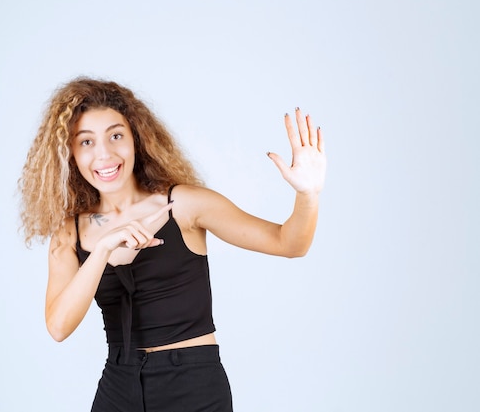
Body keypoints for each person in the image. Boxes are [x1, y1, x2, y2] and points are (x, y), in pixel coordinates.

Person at [19, 77, 326, 411]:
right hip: (118, 386)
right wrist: (103, 249)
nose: (104, 154)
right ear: (70, 153)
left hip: (193, 385)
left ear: (135, 139)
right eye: (86, 142)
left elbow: (289, 243)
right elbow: (59, 327)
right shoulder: (69, 233)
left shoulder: (185, 204)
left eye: (116, 135)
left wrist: (307, 194)